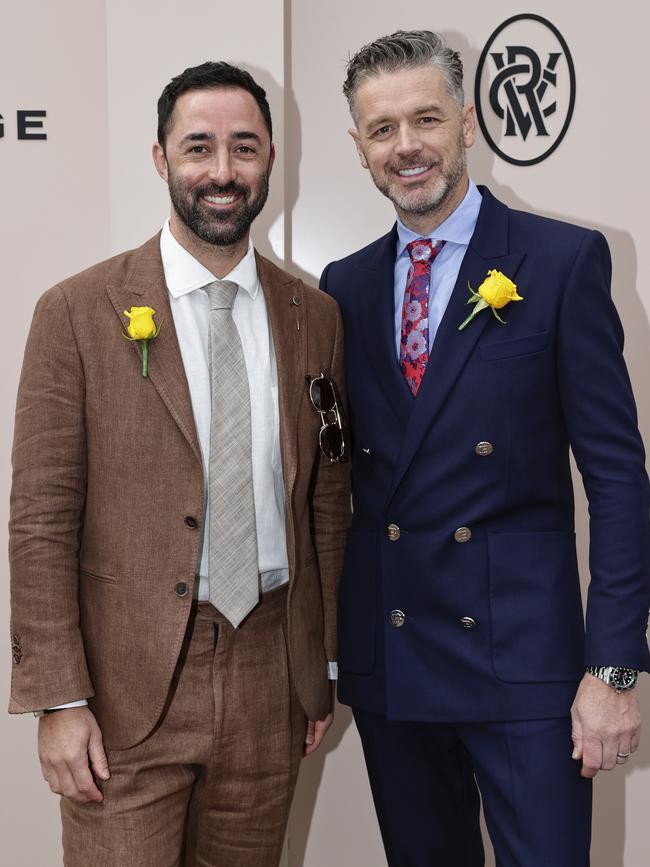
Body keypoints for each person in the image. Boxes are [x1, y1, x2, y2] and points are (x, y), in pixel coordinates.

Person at [321, 29, 650, 867]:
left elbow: (616, 477)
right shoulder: (344, 285)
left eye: (426, 118)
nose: (408, 147)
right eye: (383, 129)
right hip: (395, 660)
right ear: (357, 147)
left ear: (468, 123)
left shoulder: (563, 259)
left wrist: (613, 668)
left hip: (527, 666)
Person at [9, 61, 350, 867]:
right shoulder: (76, 312)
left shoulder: (317, 316)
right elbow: (40, 521)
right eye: (199, 147)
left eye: (244, 147)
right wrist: (59, 698)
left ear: (273, 160)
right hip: (125, 691)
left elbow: (327, 501)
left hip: (271, 673)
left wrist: (319, 665)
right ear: (161, 159)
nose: (223, 172)